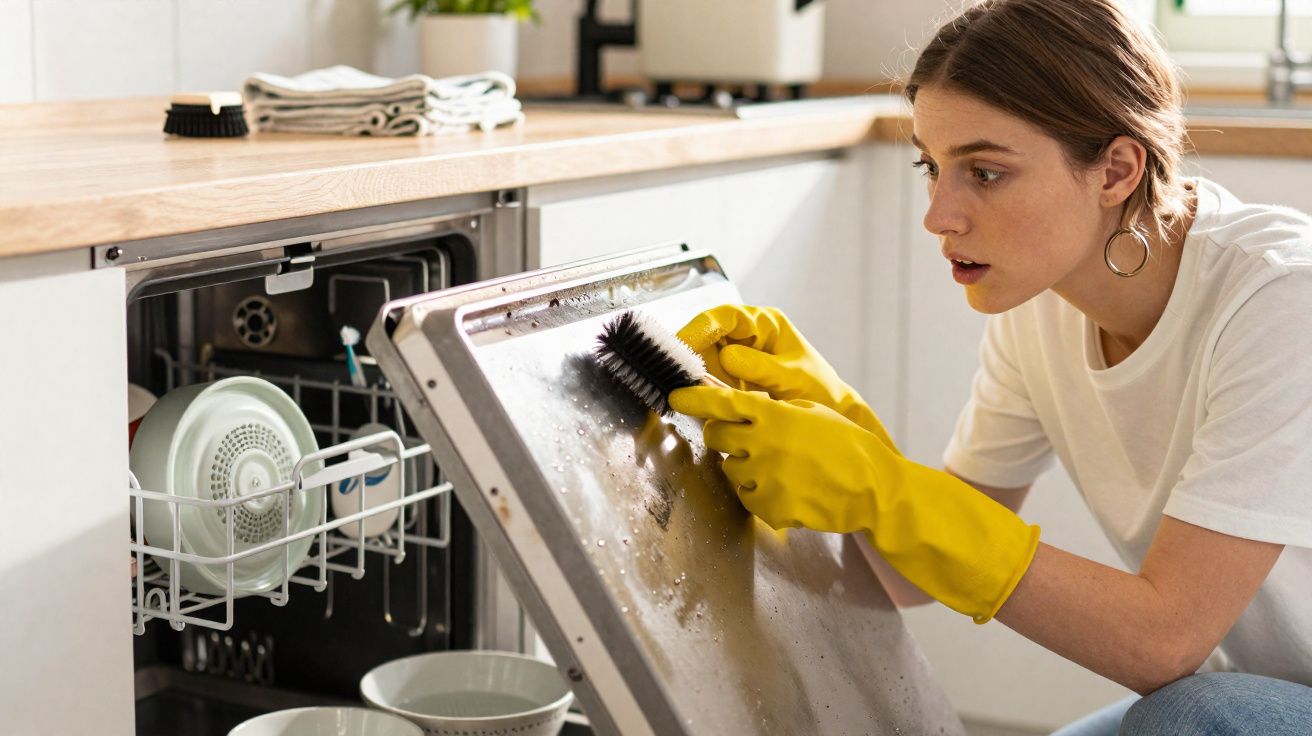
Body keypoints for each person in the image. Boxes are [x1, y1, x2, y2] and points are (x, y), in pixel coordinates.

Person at [666, 1, 1312, 733]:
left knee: (1188, 716)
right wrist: (851, 440)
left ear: (1117, 169)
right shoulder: (1044, 303)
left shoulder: (1283, 299)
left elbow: (1162, 643)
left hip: (1224, 702)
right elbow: (905, 579)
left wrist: (887, 489)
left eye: (986, 172)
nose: (939, 215)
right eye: (931, 166)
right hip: (1255, 697)